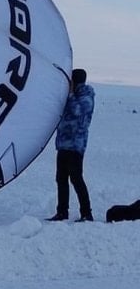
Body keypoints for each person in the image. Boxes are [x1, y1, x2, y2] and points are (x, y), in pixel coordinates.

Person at [48, 68, 94, 221]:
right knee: (61, 178)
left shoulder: (86, 96)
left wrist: (70, 94)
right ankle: (62, 212)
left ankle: (86, 213)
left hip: (75, 145)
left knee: (76, 178)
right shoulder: (71, 96)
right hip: (63, 144)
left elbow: (78, 112)